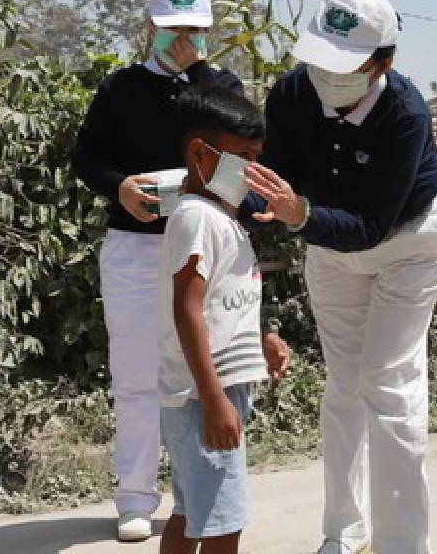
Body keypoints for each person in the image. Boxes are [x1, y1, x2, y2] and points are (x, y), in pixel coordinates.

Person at [239, 0, 437, 554]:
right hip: (327, 243)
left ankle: (402, 544)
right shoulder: (291, 92)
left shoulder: (405, 113)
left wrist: (298, 213)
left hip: (408, 241)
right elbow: (278, 176)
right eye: (318, 59)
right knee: (344, 385)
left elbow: (369, 225)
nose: (325, 76)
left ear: (382, 61)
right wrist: (226, 199)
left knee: (387, 381)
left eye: (343, 65)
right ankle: (343, 530)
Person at [72, 0, 244, 542]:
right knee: (137, 373)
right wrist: (118, 187)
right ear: (153, 26)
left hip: (202, 244)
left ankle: (195, 502)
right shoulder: (123, 86)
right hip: (136, 245)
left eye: (196, 30)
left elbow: (243, 159)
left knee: (204, 371)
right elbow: (87, 156)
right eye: (176, 29)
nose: (186, 40)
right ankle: (135, 498)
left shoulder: (221, 87)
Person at [158, 86, 291, 554]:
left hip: (209, 390)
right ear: (199, 153)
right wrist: (214, 399)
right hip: (203, 393)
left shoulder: (221, 217)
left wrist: (262, 341)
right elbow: (186, 308)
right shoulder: (197, 218)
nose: (252, 168)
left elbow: (221, 305)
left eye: (258, 155)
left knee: (194, 511)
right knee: (221, 524)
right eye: (243, 155)